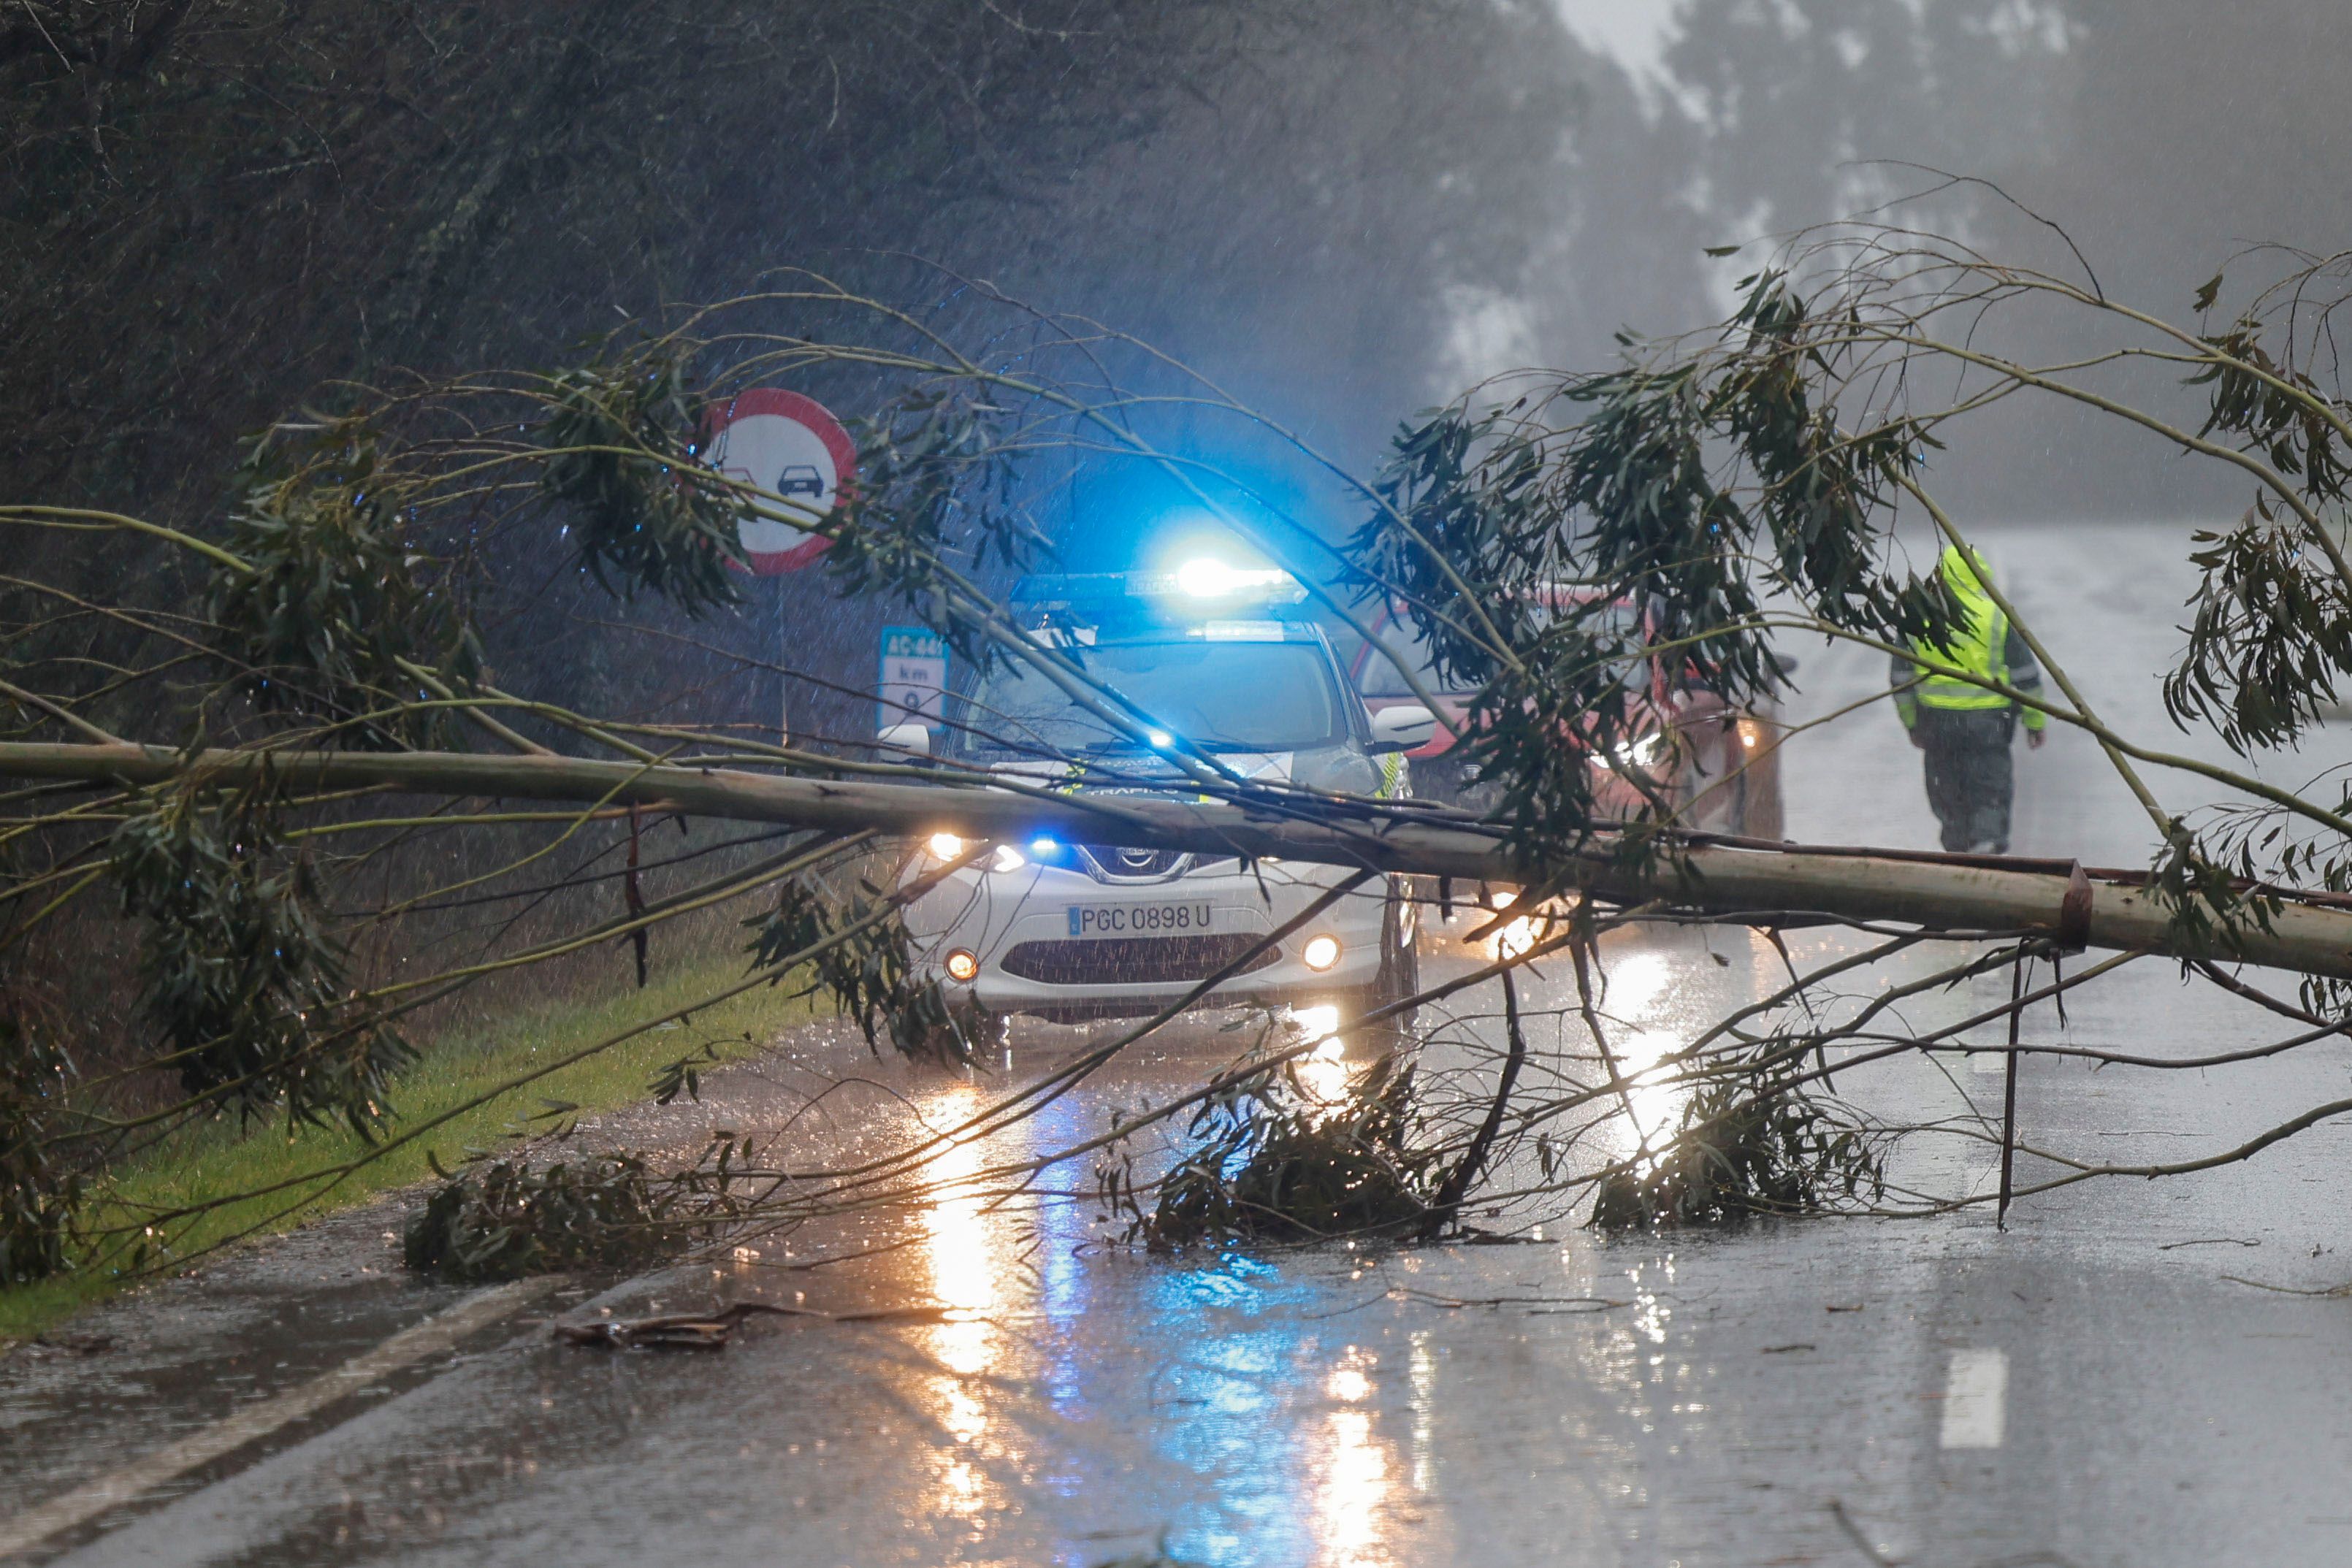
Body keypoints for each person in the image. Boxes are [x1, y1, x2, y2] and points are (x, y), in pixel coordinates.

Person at [1891, 544, 2046, 854]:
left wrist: (1912, 725)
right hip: (1989, 725)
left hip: (1937, 724)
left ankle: (1958, 850)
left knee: (1947, 791)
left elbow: (1900, 679)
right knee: (1989, 790)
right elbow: (2025, 674)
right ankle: (1985, 847)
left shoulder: (1920, 616)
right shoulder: (1997, 617)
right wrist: (2034, 722)